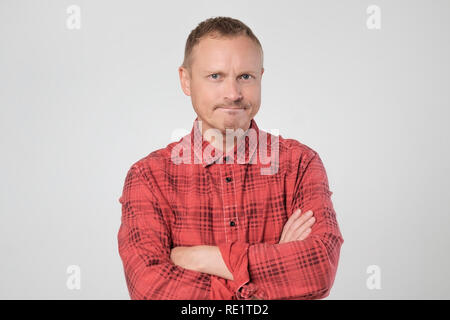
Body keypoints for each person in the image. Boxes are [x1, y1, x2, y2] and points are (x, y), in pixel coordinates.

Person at [117, 16, 344, 300]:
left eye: (245, 77)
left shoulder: (300, 164)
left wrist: (204, 259)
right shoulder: (149, 176)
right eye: (216, 76)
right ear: (186, 81)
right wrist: (273, 272)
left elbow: (318, 271)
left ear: (261, 77)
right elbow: (150, 289)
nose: (233, 94)